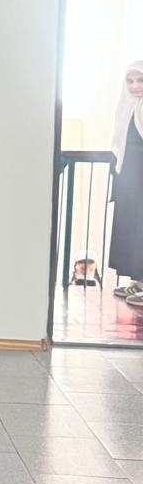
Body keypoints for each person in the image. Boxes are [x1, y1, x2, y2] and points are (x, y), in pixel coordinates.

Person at [109, 60, 143, 303]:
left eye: (140, 80)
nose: (134, 86)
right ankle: (138, 281)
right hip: (131, 177)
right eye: (129, 81)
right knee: (132, 228)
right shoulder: (127, 107)